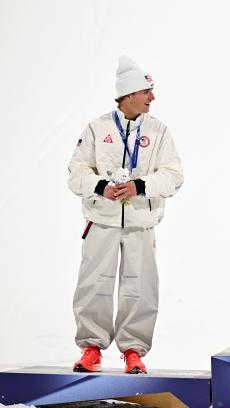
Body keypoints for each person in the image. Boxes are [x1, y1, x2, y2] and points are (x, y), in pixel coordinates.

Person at [67, 56, 184, 374]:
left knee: (141, 287)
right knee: (94, 284)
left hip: (140, 223)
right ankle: (91, 348)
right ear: (130, 93)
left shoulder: (158, 131)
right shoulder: (97, 127)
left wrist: (141, 185)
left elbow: (174, 176)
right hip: (101, 219)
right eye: (148, 90)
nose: (152, 97)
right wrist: (101, 186)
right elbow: (75, 174)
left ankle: (134, 351)